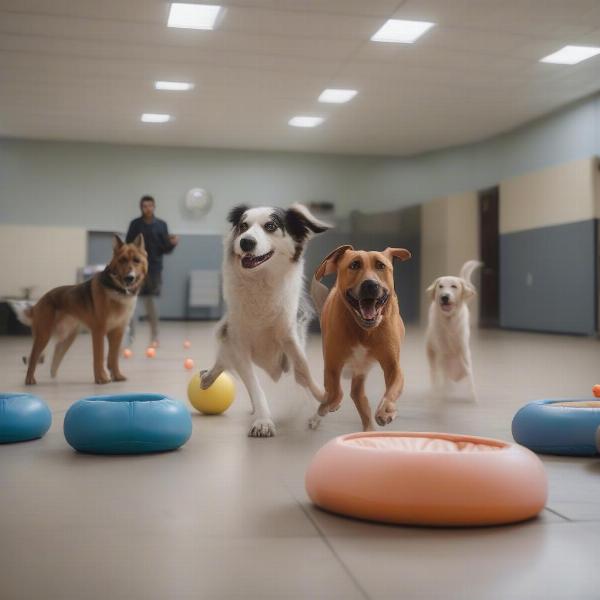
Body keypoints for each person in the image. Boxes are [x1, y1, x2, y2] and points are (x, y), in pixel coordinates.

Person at [125, 195, 178, 346]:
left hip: (154, 269)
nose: (148, 208)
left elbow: (165, 248)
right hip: (135, 270)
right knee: (131, 302)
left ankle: (155, 337)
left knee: (151, 302)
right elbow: (128, 246)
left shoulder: (161, 225)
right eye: (145, 206)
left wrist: (172, 243)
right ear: (141, 208)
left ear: (154, 207)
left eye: (150, 206)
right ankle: (131, 336)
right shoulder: (135, 224)